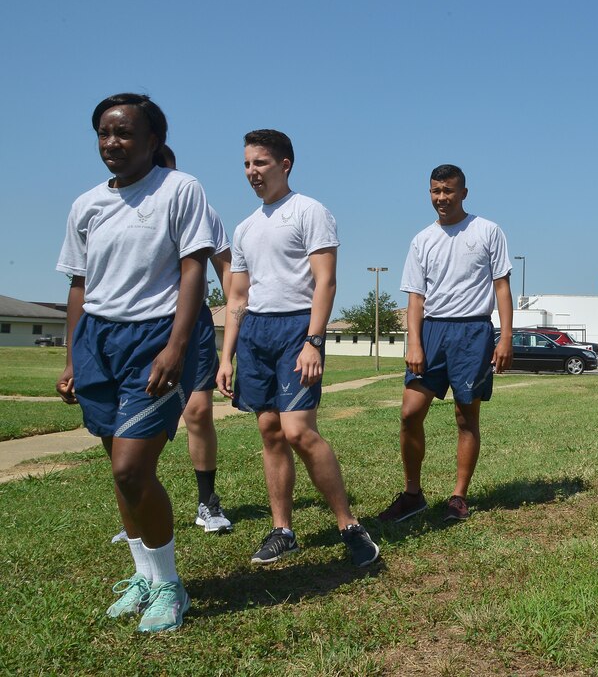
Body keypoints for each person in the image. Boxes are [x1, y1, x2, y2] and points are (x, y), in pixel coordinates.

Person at [57, 93, 215, 632]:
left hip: (154, 337)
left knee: (132, 468)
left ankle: (172, 586)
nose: (111, 143)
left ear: (153, 140)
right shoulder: (86, 205)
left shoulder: (179, 188)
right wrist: (73, 353)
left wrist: (176, 344)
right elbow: (79, 285)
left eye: (124, 133)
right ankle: (144, 577)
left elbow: (194, 268)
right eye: (104, 133)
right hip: (98, 341)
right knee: (120, 477)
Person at [216, 129, 378, 567]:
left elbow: (326, 280)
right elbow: (237, 297)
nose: (252, 172)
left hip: (296, 330)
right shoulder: (245, 227)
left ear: (285, 164)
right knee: (270, 432)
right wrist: (226, 355)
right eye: (247, 164)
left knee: (298, 432)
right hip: (256, 334)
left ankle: (348, 525)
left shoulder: (310, 212)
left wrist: (314, 340)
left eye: (261, 163)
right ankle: (282, 529)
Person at [378, 164, 513, 523]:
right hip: (432, 333)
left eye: (448, 191)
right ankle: (412, 494)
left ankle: (458, 497)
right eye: (435, 191)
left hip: (473, 333)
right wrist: (414, 343)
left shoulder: (487, 231)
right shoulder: (422, 239)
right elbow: (415, 299)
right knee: (409, 413)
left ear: (463, 193)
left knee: (465, 417)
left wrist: (506, 337)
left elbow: (502, 287)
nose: (441, 198)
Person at [111, 145, 232, 542]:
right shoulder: (118, 208)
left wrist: (238, 324)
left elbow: (226, 270)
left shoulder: (197, 208)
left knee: (198, 411)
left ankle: (206, 501)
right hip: (134, 328)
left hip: (188, 325)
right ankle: (139, 508)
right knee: (127, 424)